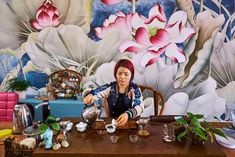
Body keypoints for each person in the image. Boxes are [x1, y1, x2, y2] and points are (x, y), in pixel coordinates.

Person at [83, 59, 144, 126]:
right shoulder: (110, 87)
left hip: (130, 124)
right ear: (115, 74)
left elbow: (139, 106)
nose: (122, 77)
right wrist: (90, 94)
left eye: (126, 74)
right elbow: (98, 91)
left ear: (131, 75)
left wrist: (128, 114)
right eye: (119, 73)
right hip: (113, 123)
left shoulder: (135, 89)